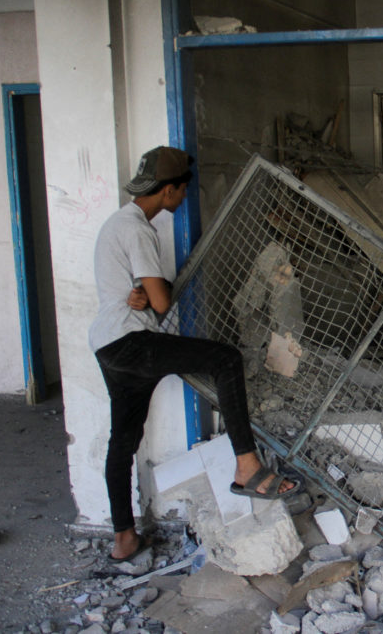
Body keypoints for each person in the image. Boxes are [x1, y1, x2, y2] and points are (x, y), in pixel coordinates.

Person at [90, 146, 298, 563]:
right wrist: (150, 296)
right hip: (133, 342)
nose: (184, 198)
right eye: (182, 190)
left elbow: (145, 296)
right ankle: (247, 467)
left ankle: (124, 539)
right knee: (225, 359)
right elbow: (163, 302)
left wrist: (143, 296)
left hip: (109, 346)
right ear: (168, 190)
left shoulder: (118, 223)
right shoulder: (137, 230)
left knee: (123, 441)